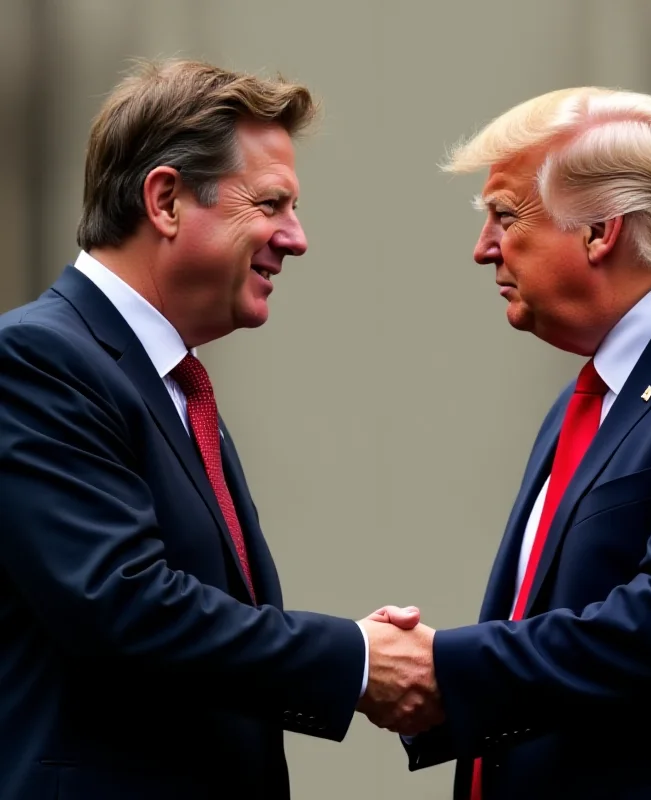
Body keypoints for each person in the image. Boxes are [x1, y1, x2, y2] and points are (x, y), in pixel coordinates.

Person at [0, 58, 438, 800]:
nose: (295, 239)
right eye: (271, 204)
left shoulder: (170, 381)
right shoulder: (38, 360)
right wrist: (357, 660)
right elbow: (124, 605)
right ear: (166, 200)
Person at [388, 87, 651, 799]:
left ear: (600, 231)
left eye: (504, 216)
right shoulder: (597, 392)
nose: (483, 248)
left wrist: (442, 670)